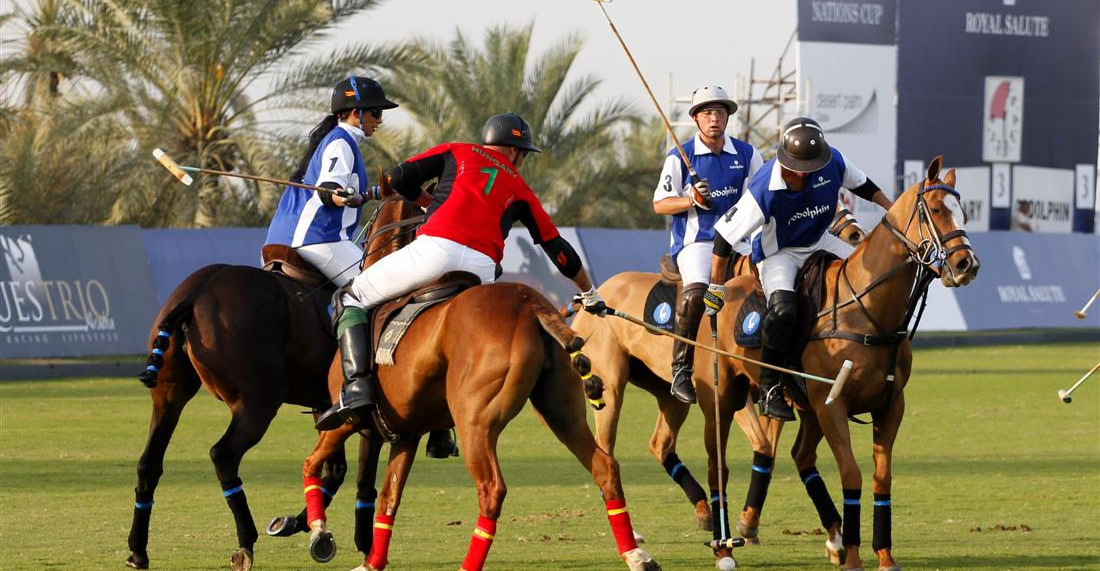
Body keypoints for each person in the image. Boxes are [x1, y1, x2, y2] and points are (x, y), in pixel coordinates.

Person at [314, 112, 607, 431]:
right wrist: (590, 291)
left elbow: (399, 178)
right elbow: (557, 248)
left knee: (350, 297)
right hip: (482, 272)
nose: (520, 162)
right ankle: (443, 430)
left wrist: (428, 203)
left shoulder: (458, 150)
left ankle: (356, 389)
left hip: (435, 252)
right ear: (513, 150)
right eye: (522, 154)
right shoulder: (521, 189)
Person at [704, 117, 893, 421]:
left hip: (820, 241)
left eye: (811, 170)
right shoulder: (764, 187)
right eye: (798, 171)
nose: (804, 176)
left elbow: (864, 186)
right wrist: (715, 286)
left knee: (869, 279)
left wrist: (892, 209)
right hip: (778, 253)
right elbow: (724, 235)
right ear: (787, 164)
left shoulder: (832, 161)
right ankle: (769, 387)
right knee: (784, 311)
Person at [652, 85, 762, 404]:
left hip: (740, 241)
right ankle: (681, 370)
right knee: (697, 292)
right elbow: (660, 204)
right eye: (707, 113)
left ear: (727, 117)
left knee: (778, 291)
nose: (714, 118)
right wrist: (690, 199)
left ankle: (772, 377)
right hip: (698, 242)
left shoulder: (747, 154)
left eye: (720, 112)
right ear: (696, 119)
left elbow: (760, 195)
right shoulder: (679, 156)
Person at [265, 76, 397, 286]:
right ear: (356, 114)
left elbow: (339, 192)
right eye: (377, 112)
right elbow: (327, 191)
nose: (379, 120)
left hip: (277, 241)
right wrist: (340, 197)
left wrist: (372, 193)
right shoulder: (341, 143)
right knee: (379, 288)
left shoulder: (332, 139)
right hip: (317, 238)